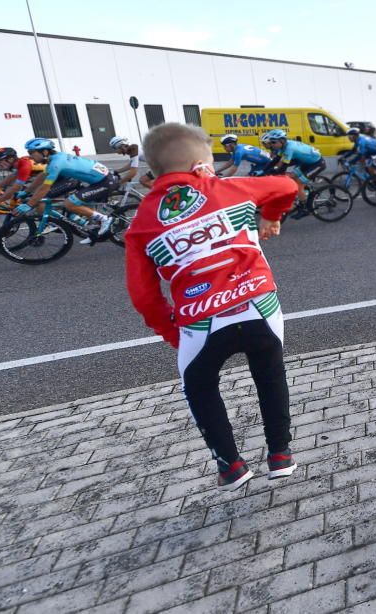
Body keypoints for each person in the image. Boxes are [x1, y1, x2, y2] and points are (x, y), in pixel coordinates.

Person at [125, 122, 298, 491]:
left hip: (200, 324)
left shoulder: (140, 224)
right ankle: (280, 454)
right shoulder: (227, 187)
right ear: (201, 165)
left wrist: (175, 334)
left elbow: (144, 296)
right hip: (258, 308)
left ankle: (230, 465)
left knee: (199, 387)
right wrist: (272, 214)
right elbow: (286, 185)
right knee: (269, 374)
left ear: (154, 169)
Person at [12, 138, 118, 242]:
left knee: (69, 203)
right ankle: (92, 228)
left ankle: (105, 219)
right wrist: (26, 192)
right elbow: (42, 176)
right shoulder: (54, 159)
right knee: (70, 205)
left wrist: (29, 205)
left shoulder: (56, 163)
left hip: (104, 182)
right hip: (97, 180)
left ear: (44, 151)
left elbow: (45, 188)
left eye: (32, 152)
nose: (30, 156)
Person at [260, 129, 325, 219]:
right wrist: (263, 171)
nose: (272, 145)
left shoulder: (289, 148)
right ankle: (304, 194)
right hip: (306, 163)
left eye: (274, 142)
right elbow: (275, 160)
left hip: (317, 163)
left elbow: (282, 168)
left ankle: (304, 208)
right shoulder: (283, 146)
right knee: (292, 176)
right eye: (271, 142)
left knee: (298, 183)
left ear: (282, 140)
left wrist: (271, 172)